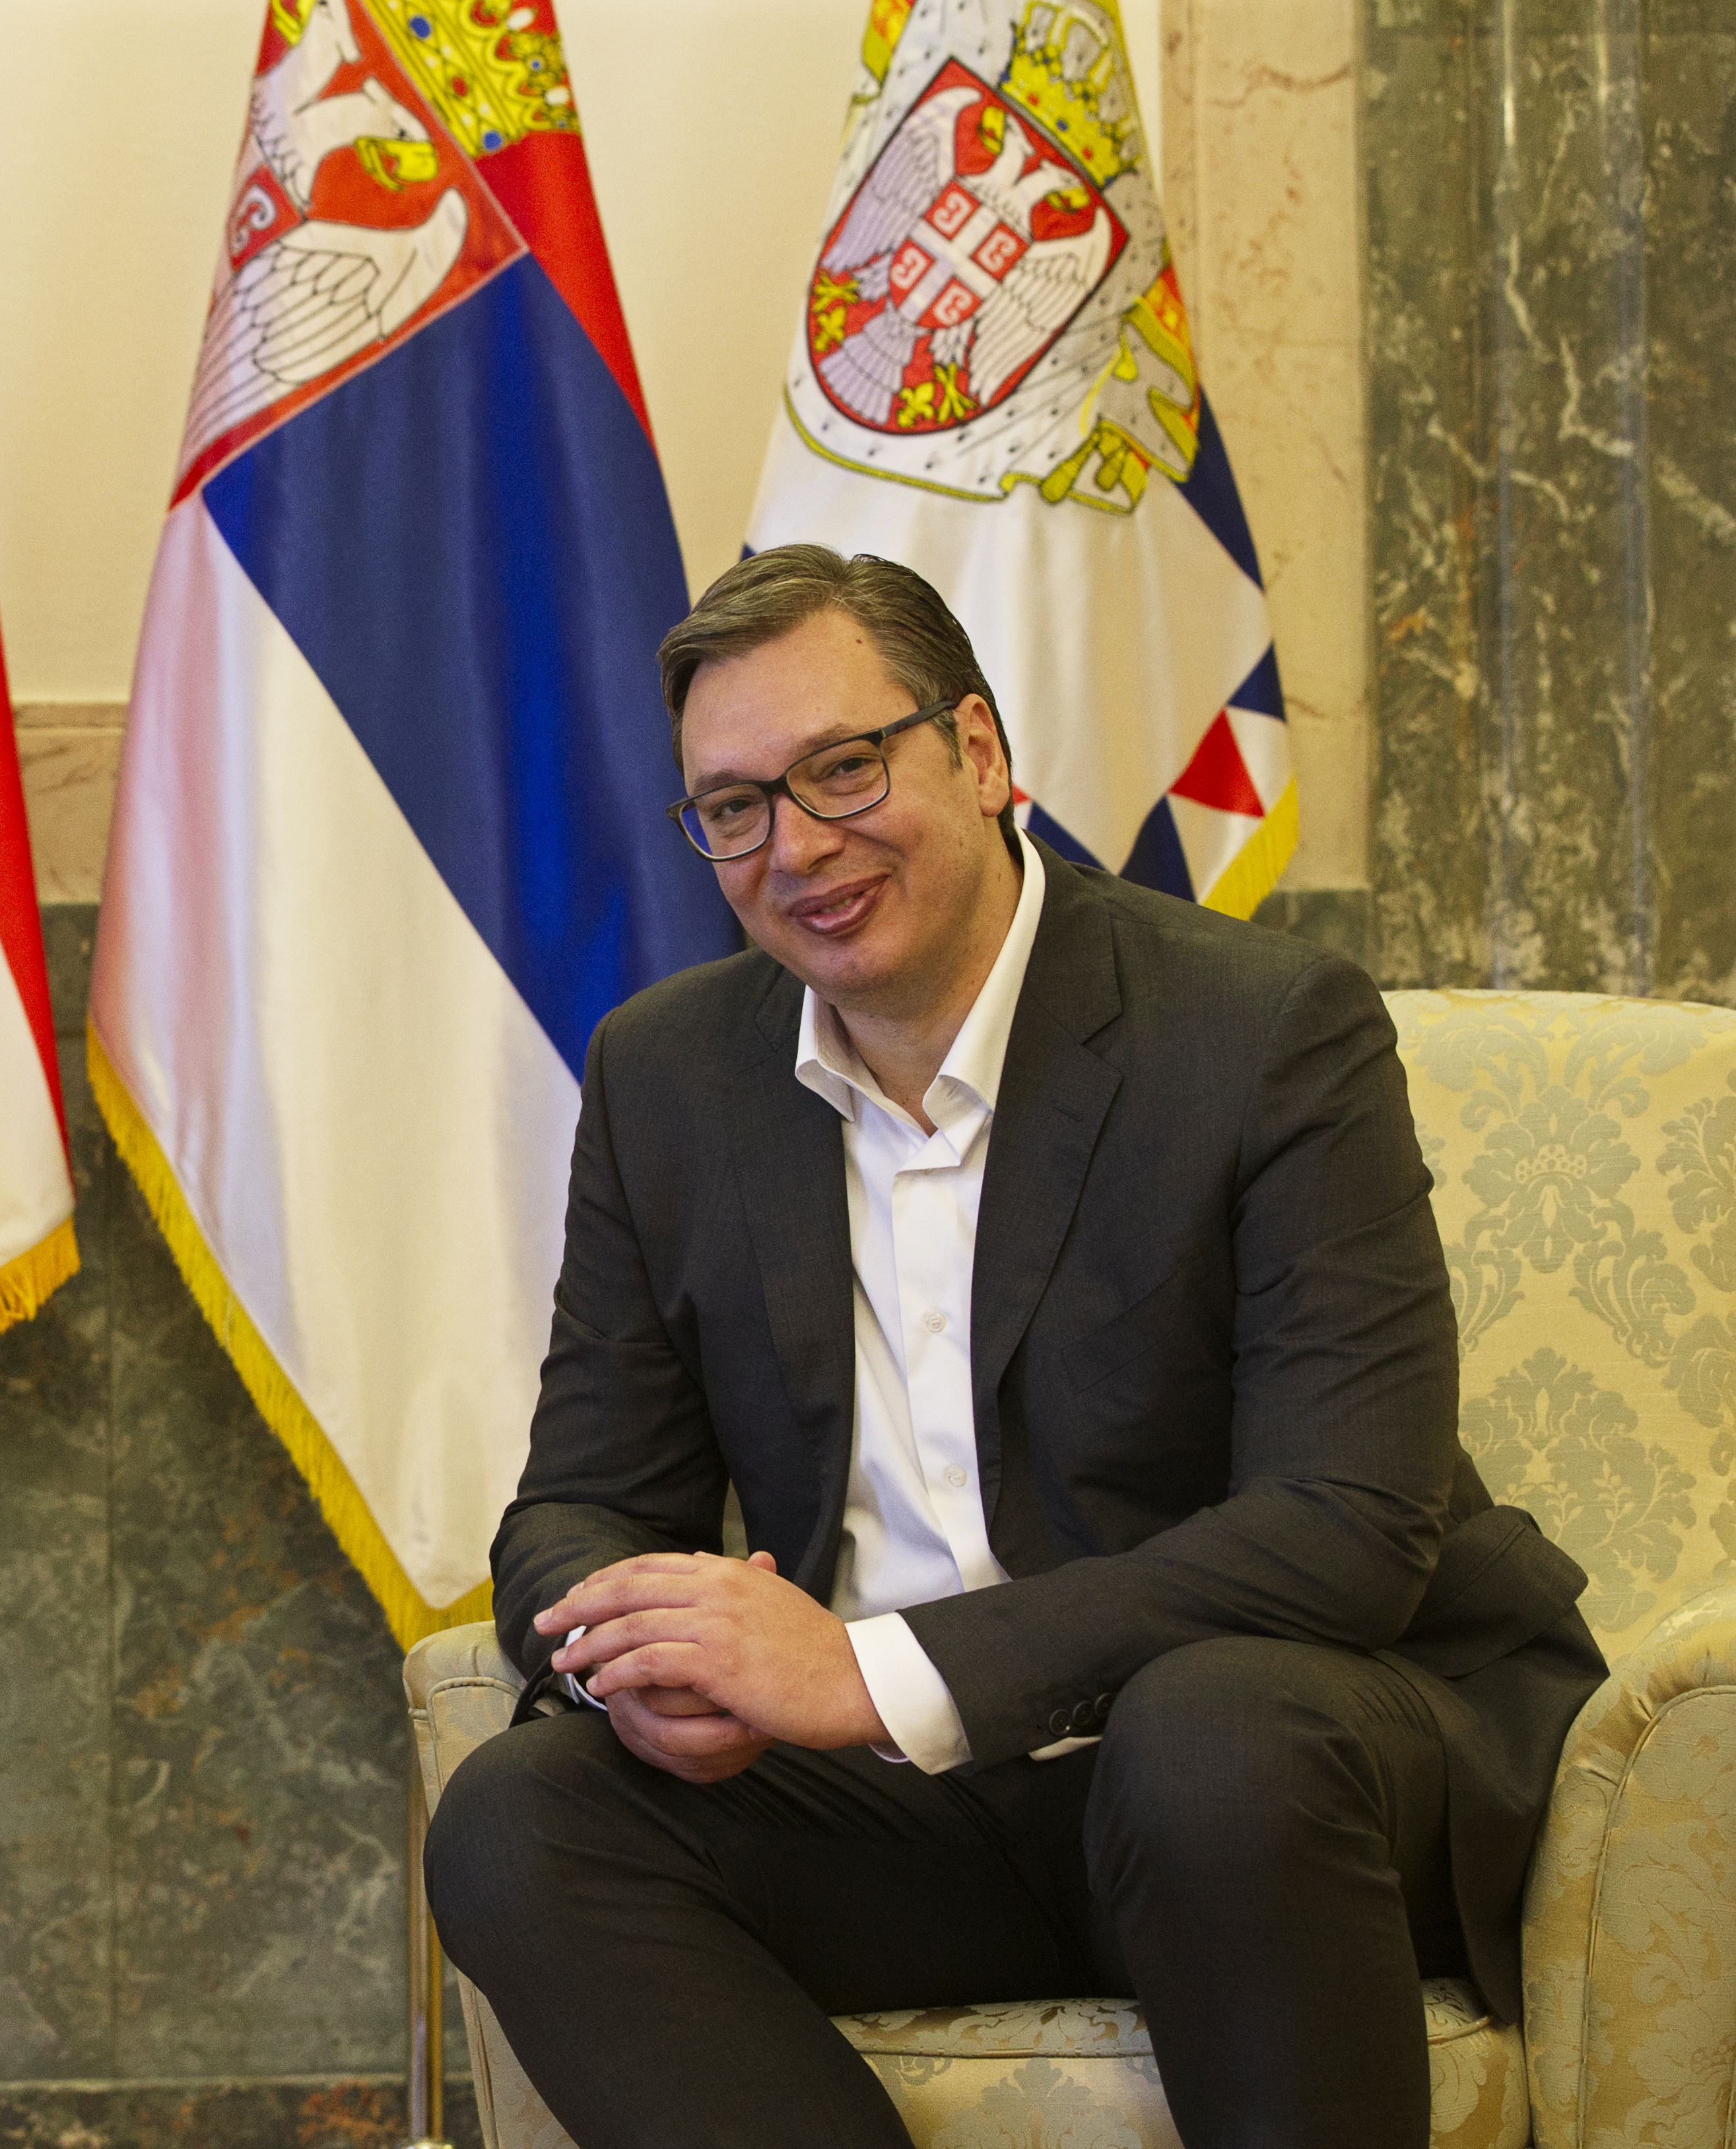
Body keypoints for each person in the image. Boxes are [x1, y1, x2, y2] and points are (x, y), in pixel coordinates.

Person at [423, 548, 1604, 2148]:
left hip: (1286, 1772)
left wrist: (864, 1670)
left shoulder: (1262, 1029)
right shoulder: (668, 1077)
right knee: (516, 1818)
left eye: (845, 766)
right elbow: (573, 1505)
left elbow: (1347, 1530)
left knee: (1209, 1739)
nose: (800, 844)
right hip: (917, 1822)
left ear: (978, 754)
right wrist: (638, 1649)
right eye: (735, 806)